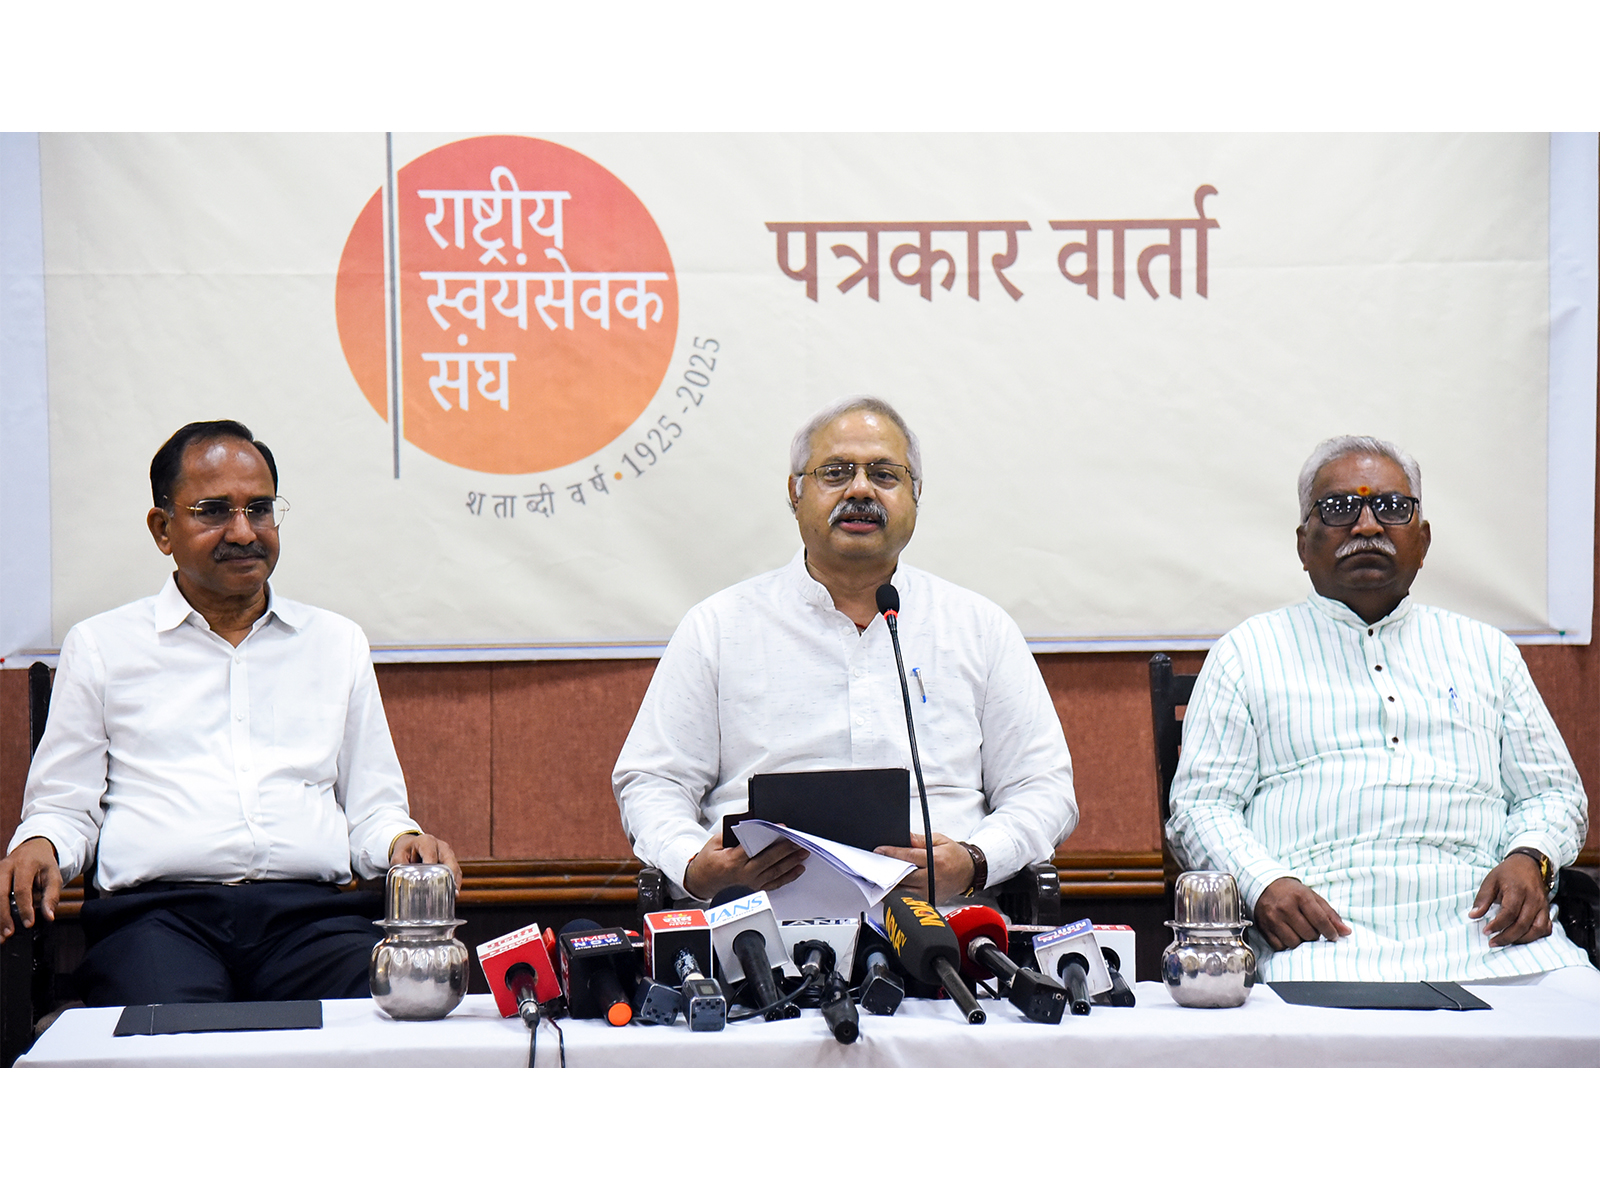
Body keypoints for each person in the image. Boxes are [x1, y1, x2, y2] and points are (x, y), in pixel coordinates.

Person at [0, 420, 459, 1005]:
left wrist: (401, 842)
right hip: (158, 922)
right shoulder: (102, 646)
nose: (243, 532)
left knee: (383, 1009)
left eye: (259, 509)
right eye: (214, 511)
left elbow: (374, 810)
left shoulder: (335, 642)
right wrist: (39, 843)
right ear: (162, 529)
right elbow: (65, 807)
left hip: (310, 923)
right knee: (168, 1035)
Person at [613, 395, 1076, 904]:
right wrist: (692, 864)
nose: (860, 489)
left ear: (916, 493)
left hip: (949, 932)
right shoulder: (719, 627)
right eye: (835, 473)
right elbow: (652, 780)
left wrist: (977, 859)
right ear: (794, 493)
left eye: (884, 474)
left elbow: (1044, 787)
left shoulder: (979, 627)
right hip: (758, 934)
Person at [1167, 435, 1595, 983]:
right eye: (1341, 507)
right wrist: (1262, 885)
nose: (1367, 525)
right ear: (1303, 544)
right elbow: (1201, 807)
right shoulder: (1246, 653)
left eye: (1392, 507)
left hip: (1492, 933)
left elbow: (1554, 793)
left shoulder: (1487, 651)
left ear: (1423, 540)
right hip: (1323, 940)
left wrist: (1530, 856)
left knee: (1580, 1031)